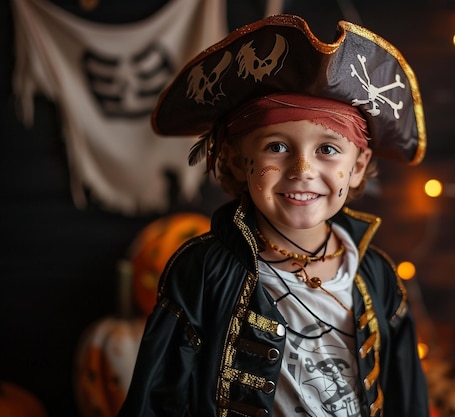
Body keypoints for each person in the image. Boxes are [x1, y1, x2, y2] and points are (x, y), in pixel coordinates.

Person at [118, 13, 429, 417]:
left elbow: (405, 395)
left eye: (328, 149)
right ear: (233, 160)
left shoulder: (377, 276)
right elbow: (161, 399)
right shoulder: (201, 271)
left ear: (357, 166)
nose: (302, 170)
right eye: (277, 147)